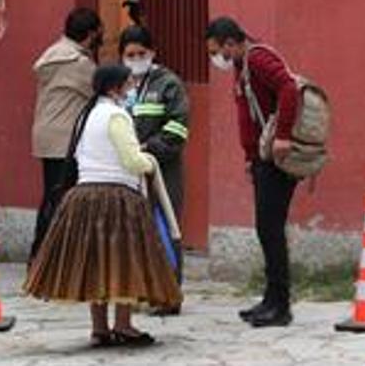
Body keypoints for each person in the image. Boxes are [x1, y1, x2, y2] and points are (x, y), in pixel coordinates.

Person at [24, 64, 182, 347]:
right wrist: (150, 162)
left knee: (95, 262)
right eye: (129, 84)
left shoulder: (88, 114)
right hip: (117, 197)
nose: (133, 88)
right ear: (114, 88)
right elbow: (131, 160)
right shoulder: (117, 116)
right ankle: (123, 325)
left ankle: (99, 328)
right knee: (124, 261)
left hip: (84, 197)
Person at [206, 16, 299, 328]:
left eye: (218, 50)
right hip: (262, 157)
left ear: (231, 43)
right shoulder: (242, 66)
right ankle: (270, 299)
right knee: (266, 228)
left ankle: (281, 305)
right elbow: (250, 114)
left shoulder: (258, 59)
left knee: (270, 228)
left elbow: (288, 87)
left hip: (276, 156)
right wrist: (249, 158)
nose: (218, 58)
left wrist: (283, 135)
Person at [119, 24, 190, 314]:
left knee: (164, 227)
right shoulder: (120, 85)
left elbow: (178, 126)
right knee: (132, 230)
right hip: (127, 169)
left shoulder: (168, 84)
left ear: (152, 52)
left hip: (163, 170)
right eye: (130, 54)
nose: (136, 58)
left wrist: (150, 149)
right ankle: (137, 290)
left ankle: (169, 294)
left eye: (141, 53)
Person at [29, 7, 102, 263]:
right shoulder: (78, 64)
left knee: (51, 195)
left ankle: (41, 255)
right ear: (91, 34)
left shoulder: (51, 55)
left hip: (46, 135)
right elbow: (100, 90)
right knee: (62, 199)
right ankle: (46, 257)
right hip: (65, 138)